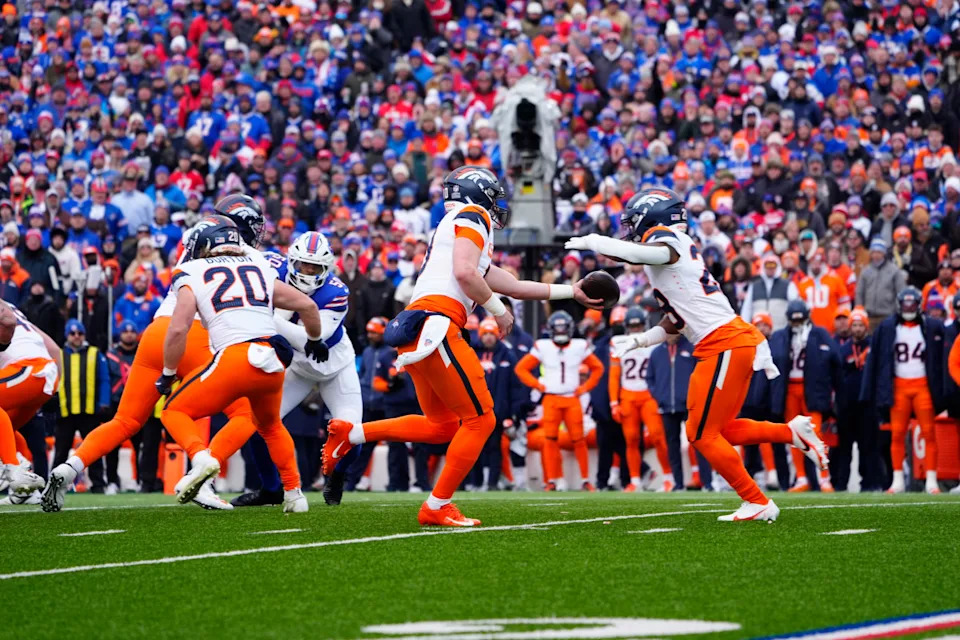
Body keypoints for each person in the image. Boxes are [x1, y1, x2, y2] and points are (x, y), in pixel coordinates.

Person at [321, 166, 602, 527]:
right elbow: (466, 274)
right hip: (437, 326)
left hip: (416, 330)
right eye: (494, 197)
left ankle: (352, 433)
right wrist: (499, 313)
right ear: (478, 194)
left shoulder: (454, 226)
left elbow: (510, 283)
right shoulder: (473, 215)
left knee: (442, 426)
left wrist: (571, 291)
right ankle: (437, 505)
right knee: (481, 419)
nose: (497, 206)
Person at [565, 187, 828, 522]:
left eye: (634, 221)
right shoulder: (669, 250)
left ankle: (757, 500)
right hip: (724, 342)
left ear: (652, 215)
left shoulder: (667, 240)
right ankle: (791, 433)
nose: (631, 228)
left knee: (700, 433)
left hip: (724, 342)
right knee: (721, 429)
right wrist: (641, 341)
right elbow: (676, 320)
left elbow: (645, 254)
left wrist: (595, 242)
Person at [42, 196, 268, 512]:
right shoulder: (245, 255)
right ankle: (203, 477)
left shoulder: (196, 240)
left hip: (157, 329)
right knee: (246, 415)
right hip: (194, 333)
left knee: (125, 420)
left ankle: (68, 469)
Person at [157, 216, 326, 514]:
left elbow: (179, 328)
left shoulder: (190, 270)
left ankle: (201, 457)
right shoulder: (259, 264)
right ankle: (294, 493)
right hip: (273, 358)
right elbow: (308, 306)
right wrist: (314, 339)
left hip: (236, 355)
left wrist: (169, 372)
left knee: (173, 410)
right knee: (271, 425)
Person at [206, 231, 362, 507]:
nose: (308, 271)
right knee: (258, 423)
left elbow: (311, 340)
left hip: (334, 365)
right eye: (303, 264)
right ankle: (270, 489)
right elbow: (242, 259)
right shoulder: (271, 266)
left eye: (315, 267)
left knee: (351, 432)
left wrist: (263, 315)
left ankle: (338, 475)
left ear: (327, 268)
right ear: (292, 261)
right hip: (298, 369)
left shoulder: (336, 292)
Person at [861, 287, 944, 494]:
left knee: (928, 433)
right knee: (897, 434)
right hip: (898, 386)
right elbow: (876, 361)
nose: (908, 308)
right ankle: (897, 479)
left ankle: (931, 480)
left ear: (919, 305)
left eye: (912, 304)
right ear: (899, 305)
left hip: (923, 385)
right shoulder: (888, 327)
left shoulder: (931, 326)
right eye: (905, 304)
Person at [515, 310, 604, 491]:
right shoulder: (543, 346)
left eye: (564, 329)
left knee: (579, 440)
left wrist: (584, 388)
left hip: (572, 398)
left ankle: (586, 480)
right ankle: (553, 480)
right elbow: (521, 369)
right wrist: (538, 386)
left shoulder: (579, 346)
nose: (561, 333)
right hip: (552, 398)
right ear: (551, 330)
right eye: (558, 329)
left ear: (570, 329)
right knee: (550, 440)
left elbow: (598, 368)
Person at [769, 300, 841, 492]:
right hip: (789, 389)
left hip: (812, 389)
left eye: (800, 321)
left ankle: (824, 477)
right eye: (794, 321)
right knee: (793, 435)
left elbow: (836, 359)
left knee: (816, 433)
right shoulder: (780, 336)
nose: (798, 325)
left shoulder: (819, 334)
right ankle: (801, 477)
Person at [608, 306, 673, 492]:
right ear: (627, 326)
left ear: (644, 325)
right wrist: (614, 402)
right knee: (631, 440)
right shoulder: (618, 341)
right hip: (627, 395)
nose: (636, 330)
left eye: (638, 326)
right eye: (632, 326)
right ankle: (635, 480)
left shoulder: (652, 340)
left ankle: (668, 477)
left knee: (658, 437)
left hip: (648, 395)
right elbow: (614, 375)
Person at [0, 301, 59, 502]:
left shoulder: (6, 312)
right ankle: (24, 489)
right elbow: (54, 348)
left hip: (28, 368)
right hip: (44, 374)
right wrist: (56, 390)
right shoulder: (11, 307)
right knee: (7, 431)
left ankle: (14, 471)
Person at [53, 319, 111, 492]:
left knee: (94, 449)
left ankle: (98, 484)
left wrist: (104, 402)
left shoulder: (94, 353)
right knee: (61, 451)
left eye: (79, 333)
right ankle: (55, 484)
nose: (76, 336)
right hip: (65, 410)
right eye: (72, 333)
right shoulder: (59, 355)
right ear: (66, 336)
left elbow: (104, 379)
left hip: (89, 410)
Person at [470, 317, 523, 491]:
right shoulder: (471, 353)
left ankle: (491, 482)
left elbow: (515, 387)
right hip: (474, 410)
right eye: (484, 334)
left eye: (491, 334)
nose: (488, 338)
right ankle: (475, 482)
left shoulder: (507, 355)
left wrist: (513, 414)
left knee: (494, 448)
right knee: (474, 448)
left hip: (497, 411)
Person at [833, 308, 882, 492]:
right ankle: (840, 484)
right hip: (847, 405)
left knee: (868, 446)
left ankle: (870, 483)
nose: (858, 328)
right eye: (854, 324)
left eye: (861, 325)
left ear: (866, 327)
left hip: (867, 404)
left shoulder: (872, 347)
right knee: (844, 448)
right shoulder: (843, 349)